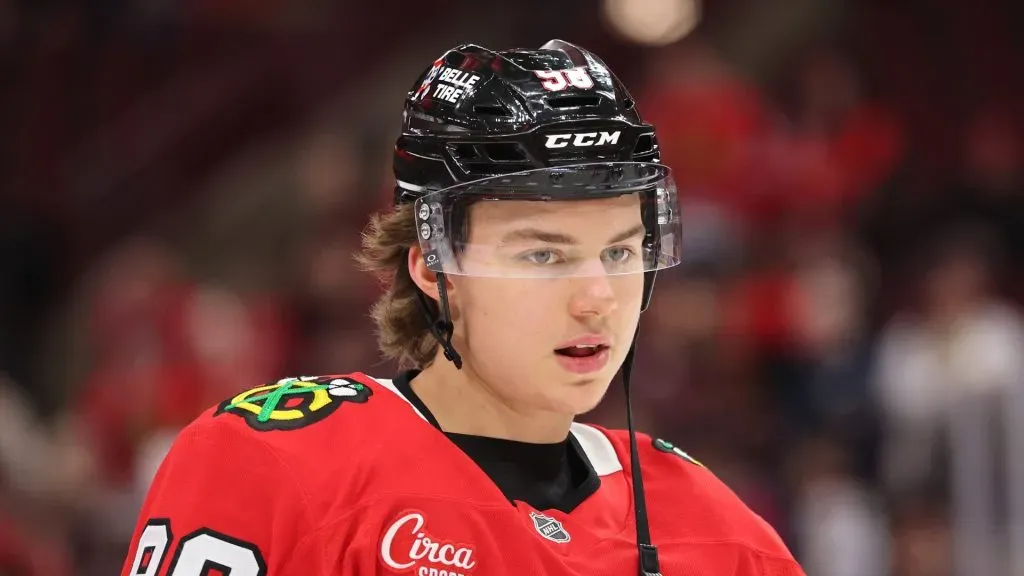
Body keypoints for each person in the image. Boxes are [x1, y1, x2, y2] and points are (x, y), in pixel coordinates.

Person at [121, 40, 805, 576]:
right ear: (430, 265)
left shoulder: (714, 529)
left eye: (622, 254)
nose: (598, 296)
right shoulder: (272, 465)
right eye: (543, 255)